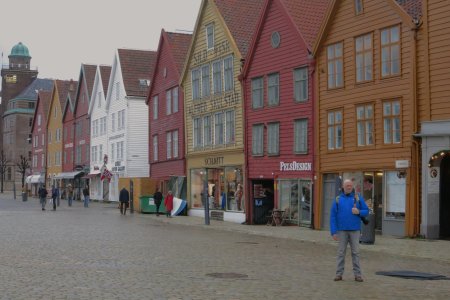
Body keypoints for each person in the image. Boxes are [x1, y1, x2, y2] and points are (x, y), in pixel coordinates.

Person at [330, 179, 369, 282]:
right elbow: (333, 217)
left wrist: (359, 211)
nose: (349, 187)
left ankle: (358, 275)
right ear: (343, 187)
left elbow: (366, 211)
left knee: (356, 253)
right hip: (342, 231)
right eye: (347, 185)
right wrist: (333, 231)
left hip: (355, 230)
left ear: (353, 187)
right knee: (341, 253)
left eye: (350, 185)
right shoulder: (338, 199)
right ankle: (338, 274)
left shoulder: (358, 198)